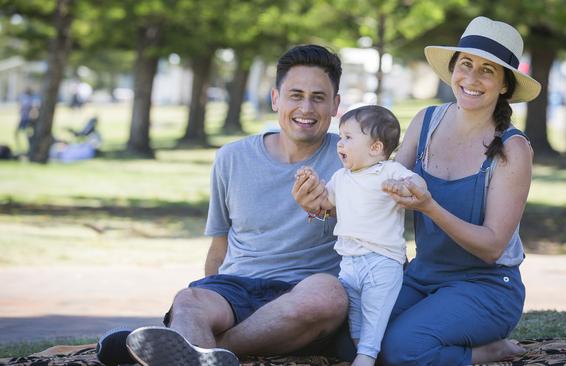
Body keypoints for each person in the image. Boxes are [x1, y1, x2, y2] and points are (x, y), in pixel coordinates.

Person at [98, 44, 348, 366]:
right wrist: (207, 295)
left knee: (327, 295)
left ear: (335, 104)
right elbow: (220, 245)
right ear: (275, 99)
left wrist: (327, 208)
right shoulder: (231, 157)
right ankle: (192, 343)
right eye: (295, 95)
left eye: (318, 97)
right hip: (236, 288)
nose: (306, 108)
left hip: (302, 293)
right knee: (189, 300)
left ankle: (193, 347)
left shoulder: (350, 160)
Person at [378, 16, 541, 365]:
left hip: (486, 287)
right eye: (465, 64)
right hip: (421, 276)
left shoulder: (513, 149)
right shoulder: (426, 121)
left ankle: (484, 352)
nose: (471, 78)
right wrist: (330, 199)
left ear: (504, 86)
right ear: (452, 68)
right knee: (357, 337)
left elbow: (492, 246)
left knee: (400, 349)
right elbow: (387, 183)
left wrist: (429, 207)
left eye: (487, 70)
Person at [295, 105, 426, 366]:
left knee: (375, 313)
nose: (339, 143)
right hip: (349, 261)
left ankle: (366, 356)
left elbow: (419, 184)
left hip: (382, 260)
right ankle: (363, 352)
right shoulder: (340, 177)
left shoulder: (389, 171)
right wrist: (309, 183)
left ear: (375, 148)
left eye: (348, 137)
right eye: (341, 136)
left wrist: (404, 187)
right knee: (355, 317)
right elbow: (324, 203)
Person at [15, 88, 39, 153]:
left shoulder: (28, 99)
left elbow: (32, 108)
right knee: (24, 134)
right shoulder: (29, 99)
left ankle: (28, 148)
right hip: (25, 119)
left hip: (26, 119)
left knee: (27, 135)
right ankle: (23, 148)